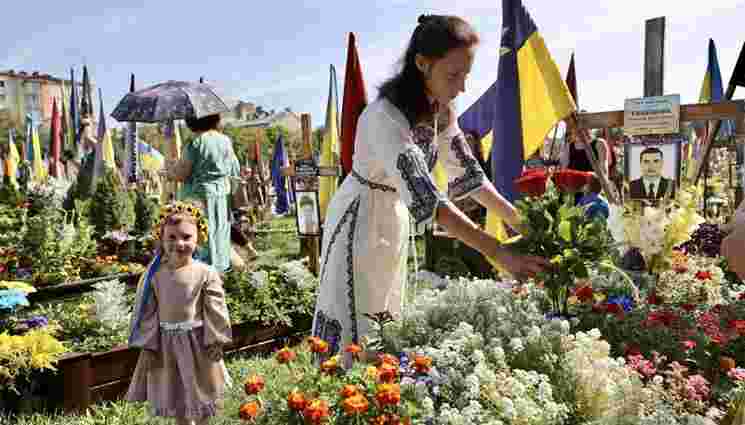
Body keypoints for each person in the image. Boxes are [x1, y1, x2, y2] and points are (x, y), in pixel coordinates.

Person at [312, 14, 549, 355]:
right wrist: (497, 251)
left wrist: (519, 220)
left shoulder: (442, 110)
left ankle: (376, 391)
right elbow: (430, 200)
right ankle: (335, 395)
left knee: (385, 314)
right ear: (422, 64)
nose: (462, 87)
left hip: (392, 213)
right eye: (453, 75)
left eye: (466, 74)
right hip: (359, 217)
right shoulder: (385, 118)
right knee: (352, 314)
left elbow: (469, 176)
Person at [126, 202, 232, 425]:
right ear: (161, 239)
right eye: (171, 237)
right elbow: (147, 312)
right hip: (167, 347)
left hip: (197, 343)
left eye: (186, 237)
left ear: (198, 239)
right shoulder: (154, 275)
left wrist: (216, 340)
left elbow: (215, 309)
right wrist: (148, 343)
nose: (179, 243)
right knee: (178, 395)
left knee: (202, 393)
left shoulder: (205, 273)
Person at [164, 114, 240, 273]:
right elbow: (234, 169)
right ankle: (221, 272)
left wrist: (169, 171)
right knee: (220, 234)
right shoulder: (225, 141)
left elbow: (181, 174)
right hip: (221, 195)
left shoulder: (194, 143)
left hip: (197, 197)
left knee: (199, 235)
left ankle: (200, 275)